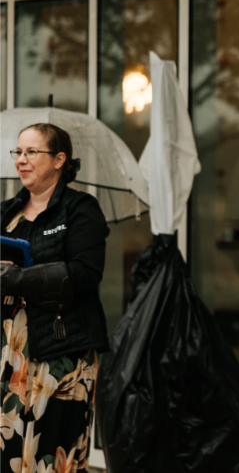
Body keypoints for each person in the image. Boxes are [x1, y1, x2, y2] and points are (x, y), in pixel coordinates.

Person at [1, 123, 110, 472]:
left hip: (62, 352)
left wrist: (18, 277)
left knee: (52, 451)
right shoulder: (6, 212)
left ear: (59, 159)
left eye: (32, 152)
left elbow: (85, 273)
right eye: (18, 152)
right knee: (8, 448)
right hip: (8, 351)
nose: (21, 160)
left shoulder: (80, 209)